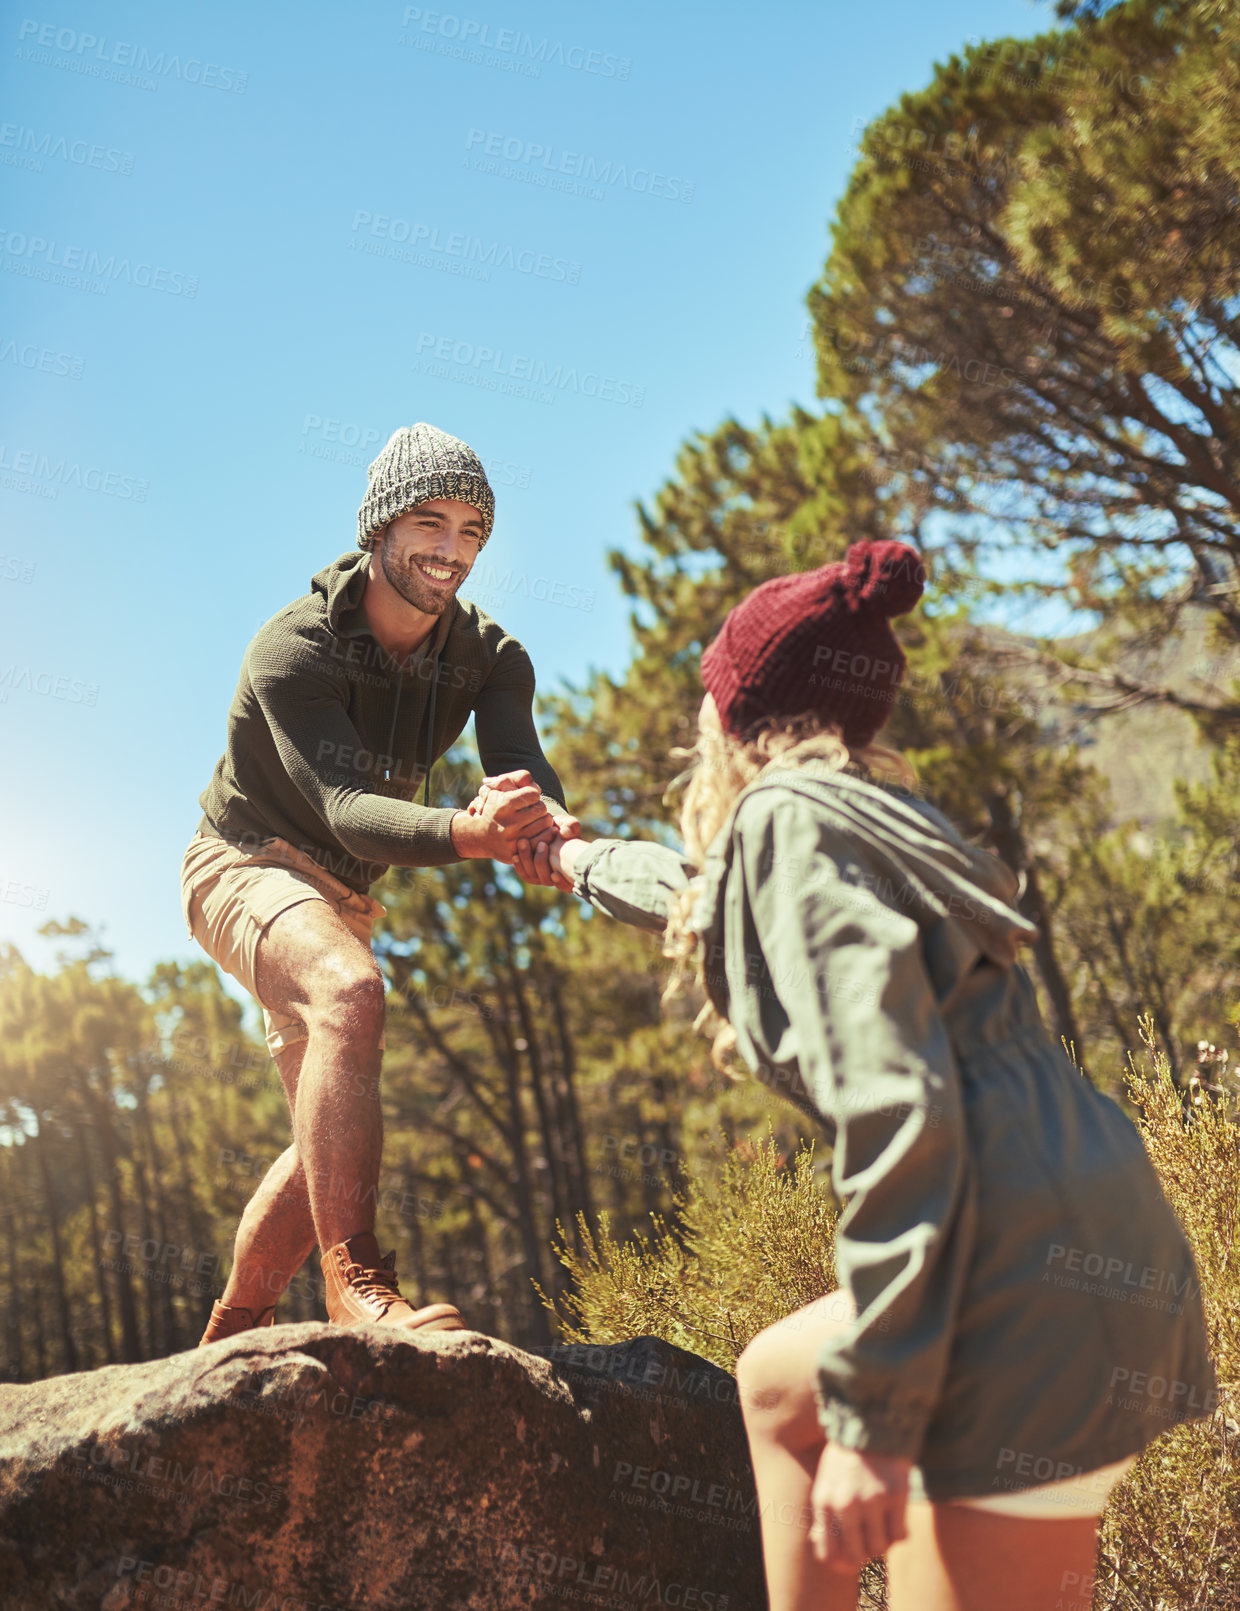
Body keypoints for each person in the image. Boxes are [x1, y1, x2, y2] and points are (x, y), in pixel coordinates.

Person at [492, 540, 1214, 1611]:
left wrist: (878, 1424)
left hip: (1008, 1277)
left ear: (735, 717)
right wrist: (581, 857)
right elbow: (697, 894)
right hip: (1087, 1235)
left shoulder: (785, 823)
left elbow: (898, 1108)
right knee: (782, 1384)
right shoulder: (856, 819)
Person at [181, 423, 577, 1345]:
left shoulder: (492, 655)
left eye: (472, 529)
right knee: (352, 991)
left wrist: (547, 825)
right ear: (380, 529)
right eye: (429, 522)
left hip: (345, 897)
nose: (451, 550)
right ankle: (355, 1281)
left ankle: (232, 1332)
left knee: (323, 1136)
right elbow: (347, 806)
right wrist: (471, 835)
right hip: (245, 860)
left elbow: (520, 765)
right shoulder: (293, 647)